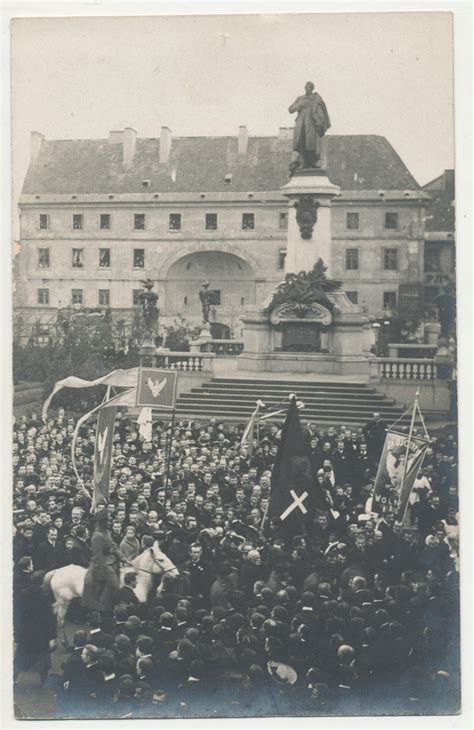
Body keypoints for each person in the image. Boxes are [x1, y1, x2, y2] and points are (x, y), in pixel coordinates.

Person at [82, 510, 127, 621]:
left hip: (111, 561)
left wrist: (123, 558)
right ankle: (105, 609)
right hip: (102, 564)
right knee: (114, 584)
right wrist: (102, 574)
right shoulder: (97, 536)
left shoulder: (106, 532)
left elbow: (114, 546)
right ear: (103, 522)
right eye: (109, 521)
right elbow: (98, 557)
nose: (110, 522)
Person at [288, 81, 331, 170]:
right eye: (306, 87)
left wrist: (320, 122)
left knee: (311, 144)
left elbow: (321, 111)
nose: (307, 89)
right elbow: (290, 109)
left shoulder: (316, 99)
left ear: (312, 88)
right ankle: (302, 162)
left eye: (309, 87)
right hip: (301, 124)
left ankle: (312, 163)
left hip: (312, 124)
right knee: (302, 142)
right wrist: (298, 106)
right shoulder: (300, 99)